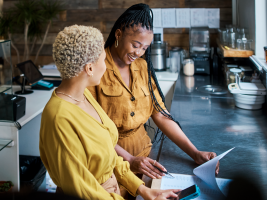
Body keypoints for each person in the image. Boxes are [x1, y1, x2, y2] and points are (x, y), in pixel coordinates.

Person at [87, 3, 219, 196]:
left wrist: (195, 153)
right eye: (135, 45)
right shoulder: (97, 67)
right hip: (110, 160)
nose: (139, 53)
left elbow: (161, 115)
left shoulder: (142, 67)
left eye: (145, 48)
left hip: (144, 159)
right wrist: (129, 159)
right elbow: (91, 128)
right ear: (118, 35)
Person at [39, 25, 180, 200]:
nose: (106, 68)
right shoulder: (58, 117)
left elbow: (108, 154)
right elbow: (83, 190)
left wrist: (143, 190)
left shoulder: (83, 96)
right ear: (90, 68)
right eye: (104, 60)